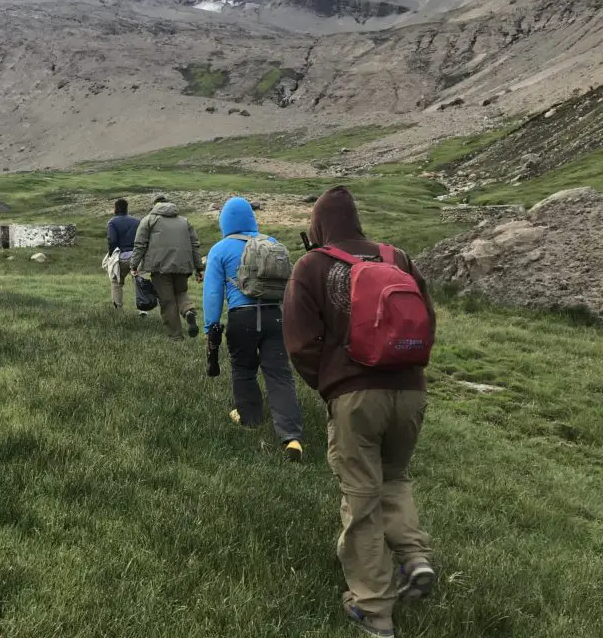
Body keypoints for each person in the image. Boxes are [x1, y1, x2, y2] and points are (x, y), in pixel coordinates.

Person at [282, 186, 436, 638]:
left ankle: (372, 608)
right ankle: (414, 558)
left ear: (318, 225)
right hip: (411, 389)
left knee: (361, 495)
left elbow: (299, 344)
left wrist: (332, 385)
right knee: (395, 477)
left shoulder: (311, 265)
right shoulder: (397, 257)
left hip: (354, 396)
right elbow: (427, 321)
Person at [202, 197, 305, 461]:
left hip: (242, 318)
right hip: (275, 317)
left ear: (225, 220)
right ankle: (291, 438)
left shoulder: (220, 249)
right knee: (280, 375)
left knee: (243, 369)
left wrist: (210, 327)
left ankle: (250, 417)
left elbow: (213, 294)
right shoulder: (271, 244)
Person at [130, 195, 204, 340]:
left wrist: (134, 265)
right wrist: (199, 268)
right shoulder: (184, 221)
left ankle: (176, 336)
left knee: (167, 301)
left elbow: (140, 245)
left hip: (159, 267)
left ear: (155, 206)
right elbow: (195, 245)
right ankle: (188, 310)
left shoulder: (149, 220)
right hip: (183, 265)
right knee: (181, 292)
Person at [105, 198, 141, 310]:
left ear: (115, 209)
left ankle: (118, 310)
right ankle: (143, 309)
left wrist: (111, 255)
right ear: (126, 208)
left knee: (116, 282)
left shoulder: (112, 222)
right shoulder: (137, 221)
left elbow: (112, 240)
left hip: (121, 257)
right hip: (136, 256)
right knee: (138, 282)